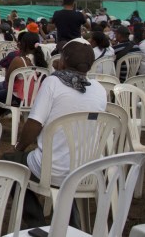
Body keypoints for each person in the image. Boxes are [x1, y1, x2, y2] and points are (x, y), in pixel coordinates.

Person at [10, 38, 107, 227]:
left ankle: (35, 222)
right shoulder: (99, 89)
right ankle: (70, 226)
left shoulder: (53, 83)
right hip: (86, 169)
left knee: (10, 164)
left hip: (52, 170)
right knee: (66, 170)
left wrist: (19, 147)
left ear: (63, 60)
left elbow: (34, 124)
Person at [0, 32, 48, 115]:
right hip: (38, 96)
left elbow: (8, 80)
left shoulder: (18, 60)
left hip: (20, 97)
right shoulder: (42, 60)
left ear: (23, 45)